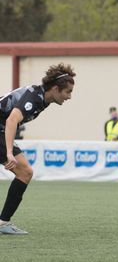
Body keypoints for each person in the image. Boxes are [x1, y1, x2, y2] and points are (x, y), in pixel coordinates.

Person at [0, 63, 75, 234]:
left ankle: (3, 222)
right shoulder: (34, 98)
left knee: (25, 172)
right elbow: (12, 120)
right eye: (68, 92)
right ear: (55, 89)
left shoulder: (42, 97)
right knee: (25, 172)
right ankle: (3, 223)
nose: (70, 97)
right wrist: (9, 152)